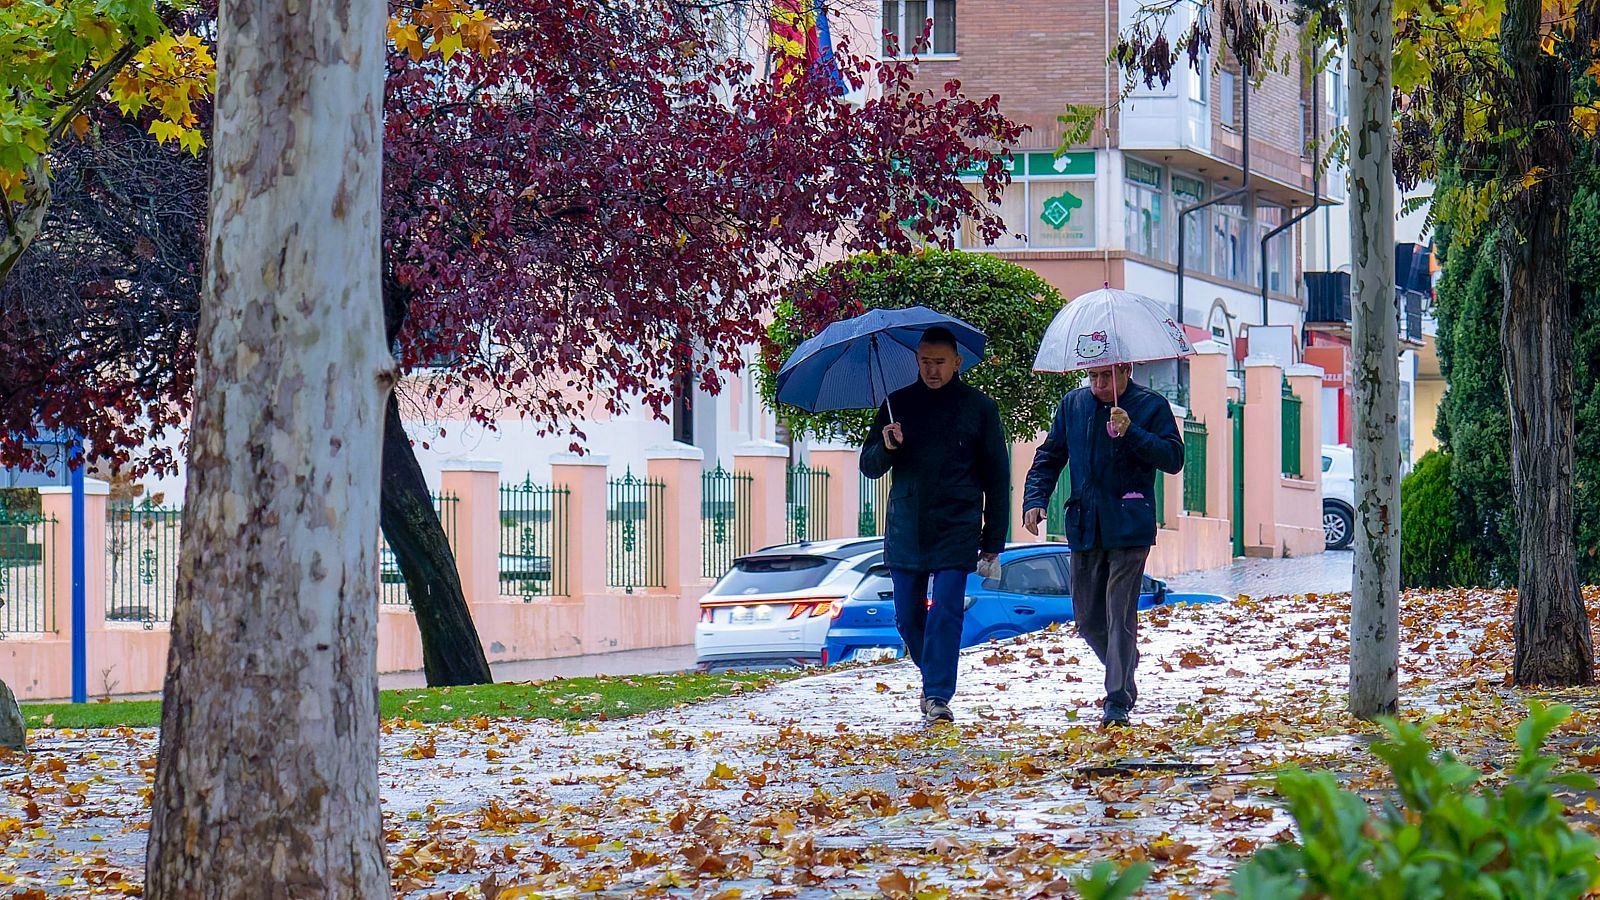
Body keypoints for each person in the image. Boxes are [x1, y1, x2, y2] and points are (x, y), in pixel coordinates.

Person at [860, 327, 1009, 724]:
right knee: (907, 616)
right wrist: (887, 446)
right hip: (907, 526)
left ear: (957, 362)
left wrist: (993, 539)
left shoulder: (980, 408)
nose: (932, 370)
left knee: (946, 610)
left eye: (940, 362)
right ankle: (932, 679)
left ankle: (939, 693)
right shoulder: (898, 405)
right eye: (925, 361)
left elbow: (997, 477)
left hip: (957, 525)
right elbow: (869, 465)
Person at [1021, 363, 1182, 728]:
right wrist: (1035, 499)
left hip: (1129, 524)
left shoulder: (1150, 405)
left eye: (1105, 376)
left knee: (1118, 612)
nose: (1098, 384)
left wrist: (1132, 431)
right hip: (1084, 525)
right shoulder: (1074, 405)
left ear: (1124, 370)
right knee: (1088, 620)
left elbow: (1173, 458)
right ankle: (1125, 662)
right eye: (1092, 377)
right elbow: (1049, 457)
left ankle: (1117, 701)